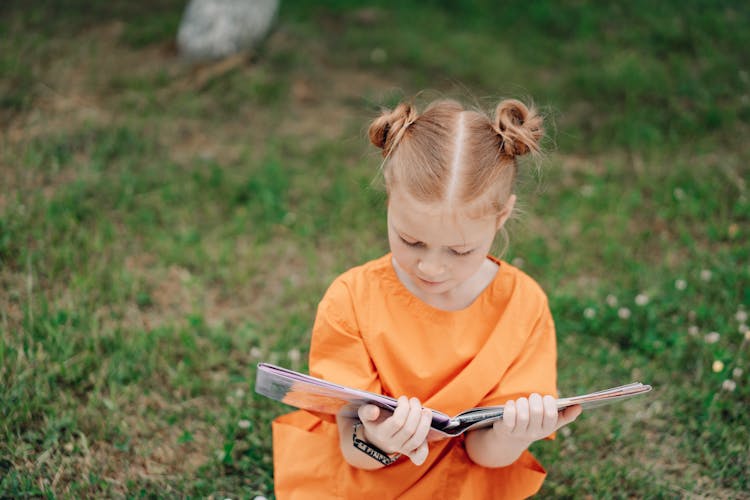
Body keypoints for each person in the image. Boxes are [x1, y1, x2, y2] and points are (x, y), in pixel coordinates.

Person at [271, 97, 582, 499]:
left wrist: (513, 434)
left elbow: (487, 455)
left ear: (502, 217)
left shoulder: (523, 306)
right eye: (411, 241)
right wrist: (382, 439)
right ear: (389, 198)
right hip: (365, 481)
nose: (431, 268)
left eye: (459, 251)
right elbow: (354, 448)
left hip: (463, 483)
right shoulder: (351, 299)